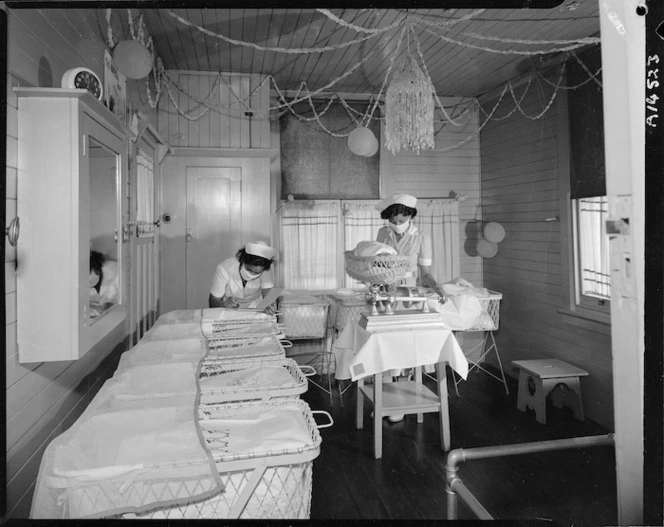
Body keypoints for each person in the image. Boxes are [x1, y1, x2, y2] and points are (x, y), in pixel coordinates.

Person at [375, 193, 448, 422]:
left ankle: (401, 400)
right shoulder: (382, 233)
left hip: (408, 296)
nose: (397, 226)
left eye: (401, 221)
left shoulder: (422, 238)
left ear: (410, 217)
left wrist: (437, 287)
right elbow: (377, 263)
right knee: (384, 343)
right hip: (386, 293)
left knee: (404, 345)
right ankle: (384, 398)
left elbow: (425, 273)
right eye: (393, 222)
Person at [208, 241, 277, 314]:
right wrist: (224, 304)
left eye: (257, 273)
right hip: (229, 312)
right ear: (242, 261)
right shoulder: (224, 269)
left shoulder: (266, 270)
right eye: (249, 270)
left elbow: (270, 300)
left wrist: (270, 308)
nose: (252, 274)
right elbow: (213, 301)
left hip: (256, 311)